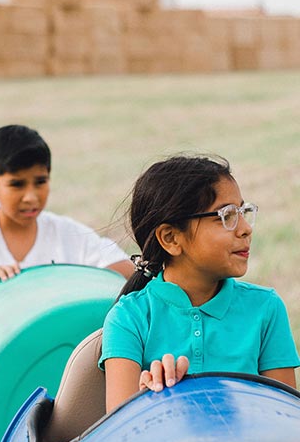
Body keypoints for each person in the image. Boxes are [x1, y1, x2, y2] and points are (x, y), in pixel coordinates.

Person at [100, 155, 299, 413]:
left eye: (242, 212)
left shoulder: (266, 309)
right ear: (171, 238)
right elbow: (120, 435)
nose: (246, 229)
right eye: (226, 215)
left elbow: (286, 420)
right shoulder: (128, 318)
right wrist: (152, 401)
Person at [0, 124, 134, 312]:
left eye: (40, 182)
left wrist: (70, 281)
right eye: (17, 184)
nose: (31, 197)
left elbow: (127, 270)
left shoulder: (66, 232)